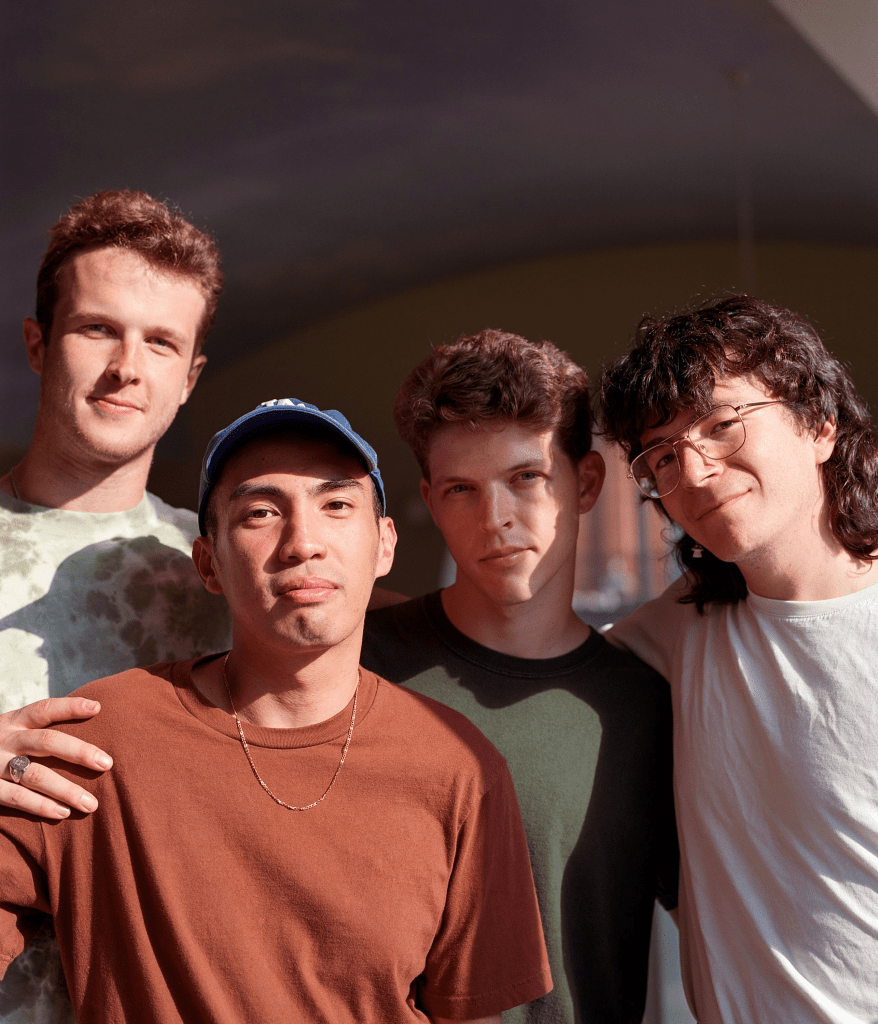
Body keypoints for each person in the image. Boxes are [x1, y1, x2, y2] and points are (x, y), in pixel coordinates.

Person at [0, 398, 552, 1024]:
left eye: (336, 505)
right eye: (261, 512)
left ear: (385, 545)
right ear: (208, 562)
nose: (302, 543)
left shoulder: (460, 768)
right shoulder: (101, 743)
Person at [362, 330, 678, 1024]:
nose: (495, 518)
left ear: (586, 482)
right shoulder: (353, 666)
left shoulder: (646, 706)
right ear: (430, 501)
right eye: (461, 489)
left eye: (525, 478)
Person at [600, 294, 878, 1024]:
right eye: (662, 456)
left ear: (820, 425)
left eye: (722, 425)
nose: (693, 472)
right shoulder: (684, 627)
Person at [0, 190, 230, 1020]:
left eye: (161, 342)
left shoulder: (237, 570)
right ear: (38, 344)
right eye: (98, 329)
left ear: (189, 377)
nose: (128, 366)